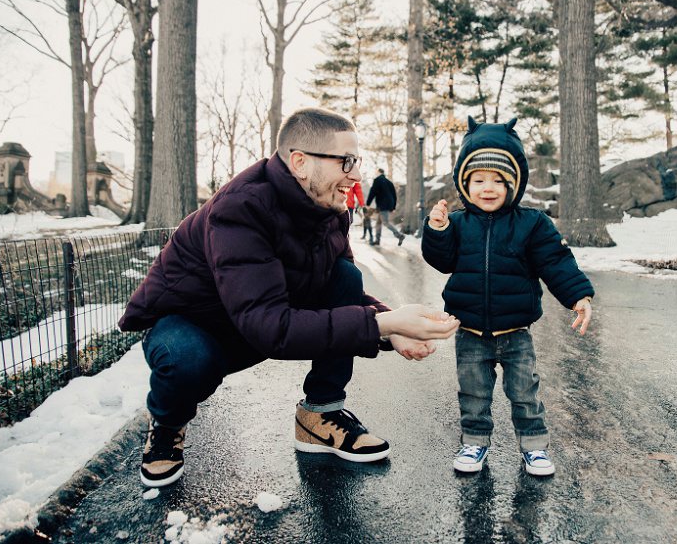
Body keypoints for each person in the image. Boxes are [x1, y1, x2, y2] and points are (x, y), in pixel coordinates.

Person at [119, 108, 459, 488]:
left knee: (345, 274)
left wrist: (389, 327)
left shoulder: (330, 206)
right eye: (346, 162)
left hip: (256, 319)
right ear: (299, 162)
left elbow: (341, 292)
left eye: (357, 162)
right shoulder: (241, 208)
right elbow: (272, 330)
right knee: (190, 360)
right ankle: (166, 424)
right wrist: (386, 323)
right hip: (189, 325)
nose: (357, 175)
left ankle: (320, 416)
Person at [421, 116, 594, 477]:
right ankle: (474, 442)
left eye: (498, 180)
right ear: (464, 183)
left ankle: (534, 448)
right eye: (479, 179)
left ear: (514, 184)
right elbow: (442, 261)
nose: (488, 188)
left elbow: (556, 262)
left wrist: (577, 295)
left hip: (516, 332)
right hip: (469, 332)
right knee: (473, 395)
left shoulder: (531, 223)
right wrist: (438, 231)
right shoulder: (458, 223)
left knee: (525, 395)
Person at [365, 168, 405, 246]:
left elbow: (372, 192)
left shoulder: (377, 180)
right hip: (387, 205)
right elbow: (394, 195)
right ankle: (377, 240)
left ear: (378, 172)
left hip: (382, 205)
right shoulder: (389, 182)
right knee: (378, 222)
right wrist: (393, 207)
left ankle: (399, 235)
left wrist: (368, 204)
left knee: (385, 222)